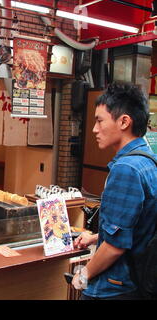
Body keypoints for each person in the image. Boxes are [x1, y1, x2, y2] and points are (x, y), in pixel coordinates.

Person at [72, 82, 157, 299]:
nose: (94, 129)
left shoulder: (126, 169)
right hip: (141, 280)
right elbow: (137, 227)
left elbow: (115, 247)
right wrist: (96, 238)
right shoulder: (150, 161)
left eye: (100, 120)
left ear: (124, 121)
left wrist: (84, 274)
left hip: (116, 287)